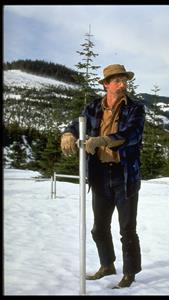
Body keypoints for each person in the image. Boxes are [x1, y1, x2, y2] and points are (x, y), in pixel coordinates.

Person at [60, 64, 145, 288]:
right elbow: (76, 124)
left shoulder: (135, 108)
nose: (123, 84)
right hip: (99, 175)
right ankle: (107, 265)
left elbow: (131, 134)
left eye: (125, 80)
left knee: (127, 228)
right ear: (106, 84)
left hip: (124, 175)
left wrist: (101, 140)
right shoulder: (93, 107)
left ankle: (129, 273)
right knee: (99, 228)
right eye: (117, 80)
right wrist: (68, 133)